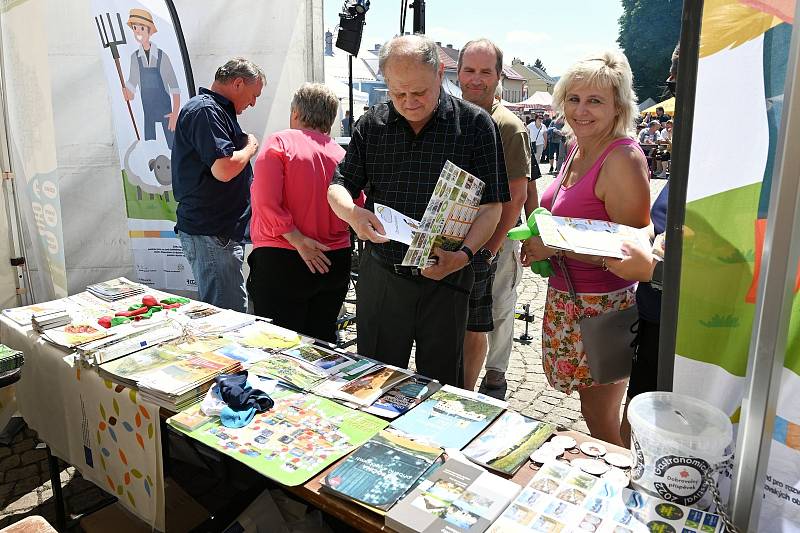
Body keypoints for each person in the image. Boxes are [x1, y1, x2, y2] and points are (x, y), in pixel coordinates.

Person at [328, 34, 509, 387]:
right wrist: (352, 214)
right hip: (383, 273)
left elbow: (492, 206)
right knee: (373, 380)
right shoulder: (372, 125)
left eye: (420, 92)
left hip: (447, 276)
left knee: (442, 385)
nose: (409, 102)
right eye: (398, 94)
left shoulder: (474, 125)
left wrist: (465, 255)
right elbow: (338, 187)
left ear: (440, 74)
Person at [521, 50, 650, 446]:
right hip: (568, 299)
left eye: (595, 100)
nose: (581, 110)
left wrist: (553, 247)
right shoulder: (578, 148)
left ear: (617, 106)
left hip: (602, 307)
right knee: (589, 409)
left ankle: (618, 487)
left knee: (600, 416)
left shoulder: (623, 158)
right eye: (574, 98)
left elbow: (633, 255)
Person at [457, 38, 532, 391]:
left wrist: (490, 249)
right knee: (465, 315)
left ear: (498, 76)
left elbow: (517, 195)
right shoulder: (451, 118)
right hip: (458, 238)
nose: (476, 79)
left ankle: (496, 373)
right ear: (457, 73)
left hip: (495, 241)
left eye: (485, 72)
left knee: (499, 309)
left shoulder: (508, 126)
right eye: (469, 70)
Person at [248, 83, 350, 342]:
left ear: (295, 113)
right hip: (333, 260)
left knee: (276, 348)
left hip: (282, 258)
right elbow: (355, 207)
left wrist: (297, 239)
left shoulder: (279, 142)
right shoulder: (343, 155)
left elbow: (264, 200)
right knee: (321, 347)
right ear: (330, 119)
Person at [172, 57, 265, 312]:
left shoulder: (214, 110)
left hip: (216, 232)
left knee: (227, 312)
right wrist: (250, 147)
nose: (253, 103)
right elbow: (223, 169)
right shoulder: (206, 110)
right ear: (237, 83)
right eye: (253, 95)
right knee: (227, 318)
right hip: (212, 232)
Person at [123, 8, 181, 149]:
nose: (138, 32)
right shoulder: (134, 58)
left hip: (166, 114)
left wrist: (175, 114)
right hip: (148, 113)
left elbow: (174, 87)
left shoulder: (162, 57)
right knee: (150, 149)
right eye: (135, 28)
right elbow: (132, 85)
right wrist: (127, 92)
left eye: (141, 28)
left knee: (172, 149)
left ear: (149, 31)